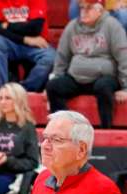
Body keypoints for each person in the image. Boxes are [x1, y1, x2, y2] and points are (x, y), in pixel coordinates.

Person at [47, 0, 127, 129]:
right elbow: (62, 56)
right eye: (82, 8)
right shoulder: (72, 27)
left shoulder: (113, 26)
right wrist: (56, 76)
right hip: (77, 77)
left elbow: (123, 57)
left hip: (104, 77)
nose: (83, 12)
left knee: (104, 87)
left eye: (88, 8)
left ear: (100, 10)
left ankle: (106, 130)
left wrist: (125, 88)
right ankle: (62, 128)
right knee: (53, 87)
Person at [0, 0, 56, 92]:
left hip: (35, 44)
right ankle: (2, 90)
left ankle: (23, 90)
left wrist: (8, 26)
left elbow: (35, 28)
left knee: (51, 57)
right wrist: (25, 39)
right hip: (12, 43)